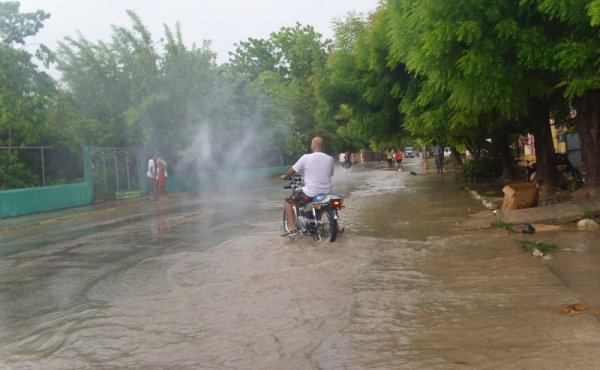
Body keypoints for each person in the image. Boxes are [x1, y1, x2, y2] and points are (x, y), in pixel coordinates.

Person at [280, 137, 335, 236]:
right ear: (323, 147)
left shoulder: (306, 157)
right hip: (327, 193)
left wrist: (286, 176)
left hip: (311, 193)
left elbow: (293, 170)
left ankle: (292, 229)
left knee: (287, 201)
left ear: (313, 146)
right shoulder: (330, 159)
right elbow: (330, 174)